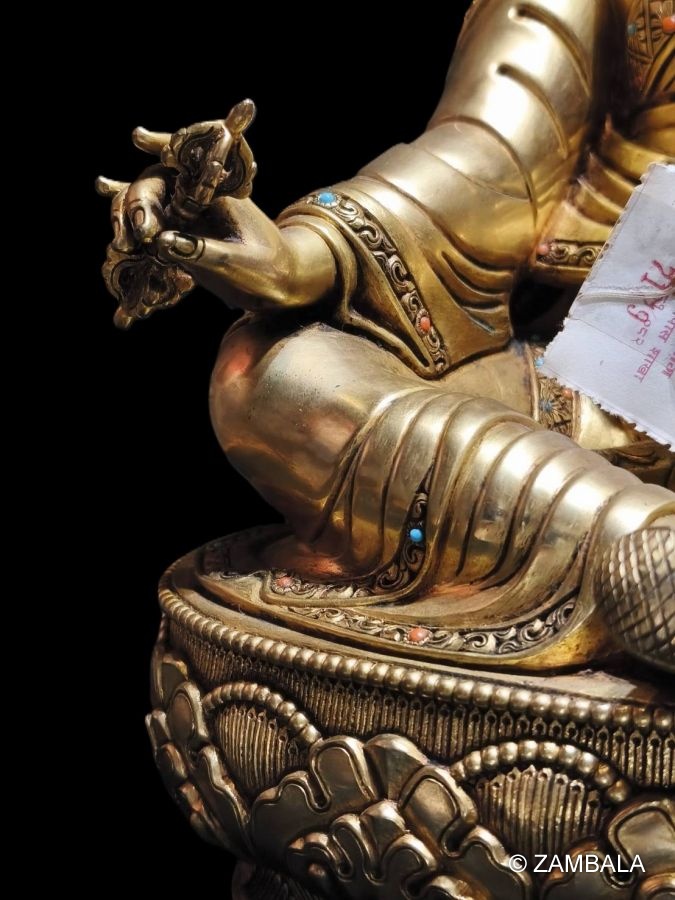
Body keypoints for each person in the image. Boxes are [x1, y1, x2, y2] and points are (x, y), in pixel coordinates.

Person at [99, 0, 674, 672]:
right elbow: (492, 156)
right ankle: (637, 555)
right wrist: (302, 256)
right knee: (276, 373)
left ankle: (629, 555)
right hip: (613, 382)